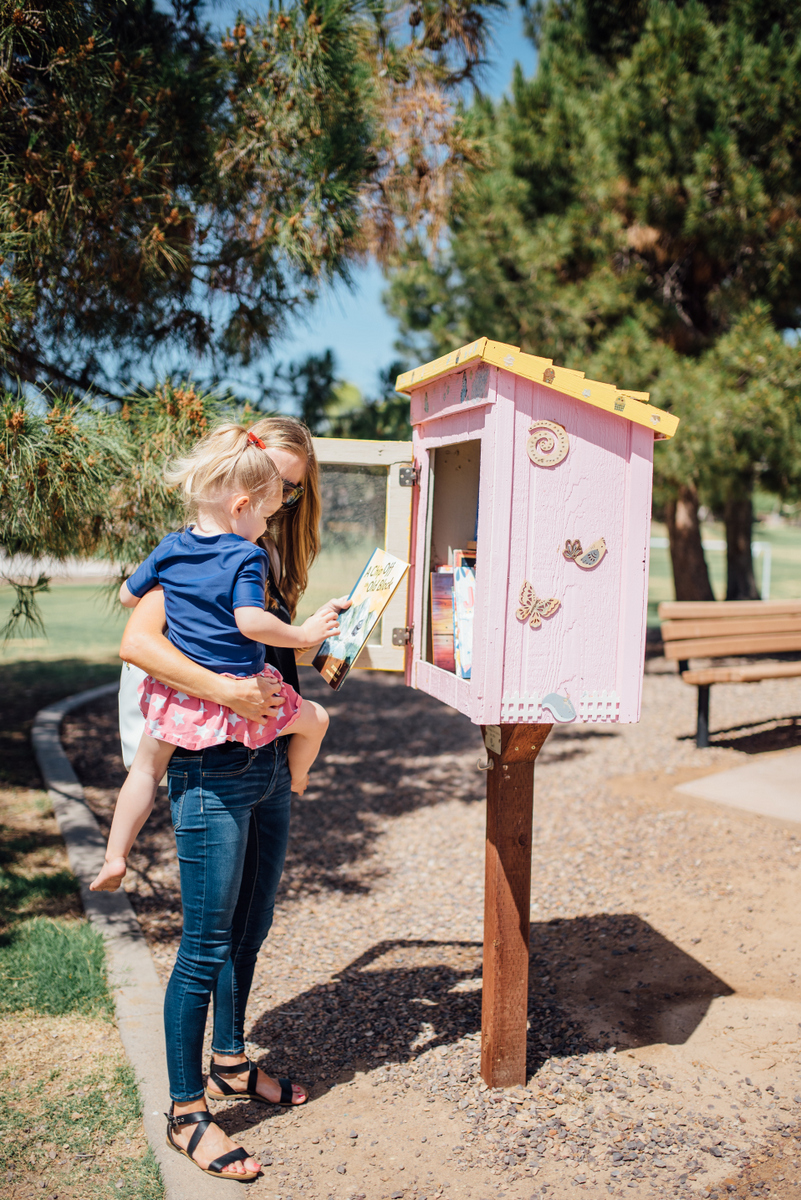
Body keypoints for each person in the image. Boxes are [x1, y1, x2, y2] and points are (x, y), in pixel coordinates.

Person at [108, 417, 347, 1180]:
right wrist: (232, 693)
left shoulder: (258, 549)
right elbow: (139, 639)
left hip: (266, 757)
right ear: (241, 484)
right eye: (273, 483)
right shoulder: (193, 548)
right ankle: (186, 1112)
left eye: (292, 489)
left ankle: (232, 1064)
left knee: (252, 926)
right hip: (212, 763)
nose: (280, 497)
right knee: (205, 945)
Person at [90, 423, 335, 896]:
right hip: (237, 719)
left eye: (289, 493)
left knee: (144, 770)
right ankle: (302, 777)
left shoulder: (171, 549)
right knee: (317, 719)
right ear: (242, 502)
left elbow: (125, 595)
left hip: (178, 703)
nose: (278, 510)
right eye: (273, 498)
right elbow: (243, 623)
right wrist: (301, 635)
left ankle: (116, 855)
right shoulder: (246, 555)